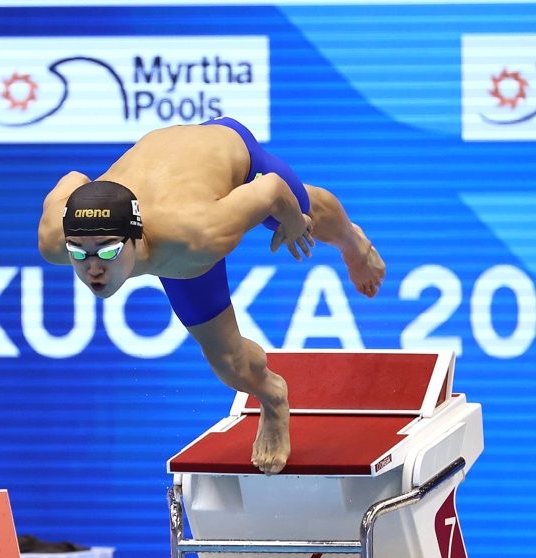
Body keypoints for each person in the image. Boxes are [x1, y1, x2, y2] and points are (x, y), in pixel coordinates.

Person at [38, 116, 385, 474]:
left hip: (227, 151)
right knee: (230, 365)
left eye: (108, 251)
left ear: (137, 236)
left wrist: (293, 222)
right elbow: (74, 179)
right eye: (79, 253)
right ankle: (273, 395)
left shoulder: (198, 234)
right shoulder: (54, 239)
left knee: (300, 205)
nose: (92, 267)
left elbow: (271, 190)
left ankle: (352, 241)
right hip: (165, 176)